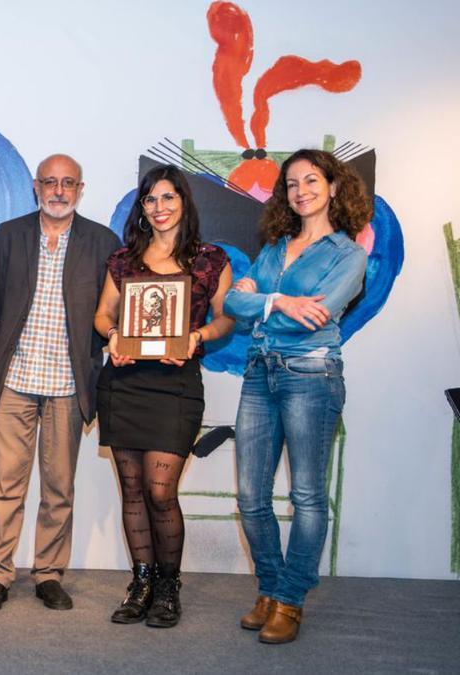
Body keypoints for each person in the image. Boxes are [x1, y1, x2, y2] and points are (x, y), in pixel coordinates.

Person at [224, 148, 369, 644]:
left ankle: (290, 599)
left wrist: (261, 302)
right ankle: (269, 586)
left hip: (311, 374)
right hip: (259, 373)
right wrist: (277, 299)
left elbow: (320, 315)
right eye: (291, 183)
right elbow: (233, 303)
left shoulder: (349, 254)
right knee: (250, 495)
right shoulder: (274, 246)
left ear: (332, 187)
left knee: (306, 496)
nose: (301, 190)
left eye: (311, 180)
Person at [0, 154, 121, 612]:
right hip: (17, 379)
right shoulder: (9, 234)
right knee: (3, 485)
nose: (58, 191)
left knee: (59, 488)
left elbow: (108, 311)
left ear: (81, 189)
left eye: (68, 183)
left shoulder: (102, 241)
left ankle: (49, 573)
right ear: (36, 187)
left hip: (68, 384)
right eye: (50, 182)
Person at [92, 164, 234, 628]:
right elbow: (102, 317)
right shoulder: (123, 260)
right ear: (143, 207)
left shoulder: (211, 260)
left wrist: (197, 337)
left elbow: (225, 320)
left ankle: (169, 587)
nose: (160, 207)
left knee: (158, 490)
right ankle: (141, 584)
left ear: (183, 202)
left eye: (168, 198)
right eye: (151, 199)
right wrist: (114, 336)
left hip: (175, 387)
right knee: (131, 489)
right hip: (125, 385)